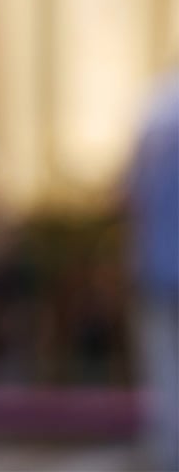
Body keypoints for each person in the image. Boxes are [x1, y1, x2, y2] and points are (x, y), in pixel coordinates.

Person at [124, 72, 179, 471]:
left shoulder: (156, 111)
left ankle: (169, 450)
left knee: (165, 369)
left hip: (158, 264)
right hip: (159, 263)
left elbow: (129, 190)